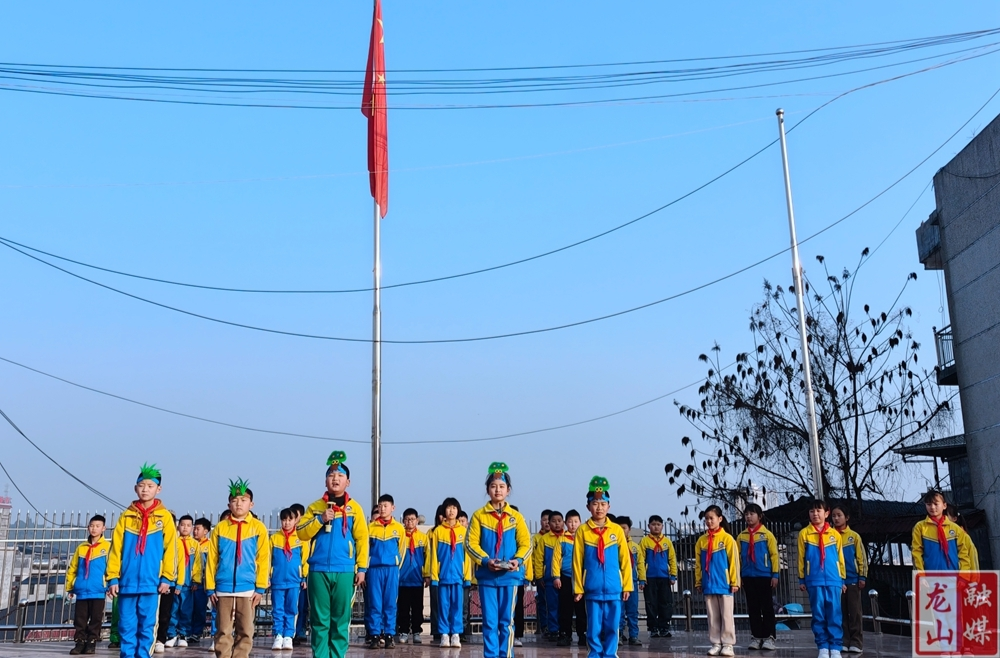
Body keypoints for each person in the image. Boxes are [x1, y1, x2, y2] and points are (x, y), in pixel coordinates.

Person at [297, 451, 369, 658]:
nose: (335, 478)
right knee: (319, 620)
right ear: (325, 480)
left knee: (340, 619)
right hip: (318, 570)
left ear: (348, 481)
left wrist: (362, 569)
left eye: (340, 475)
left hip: (345, 571)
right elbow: (301, 533)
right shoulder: (315, 507)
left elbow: (362, 540)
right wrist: (320, 520)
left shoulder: (355, 509)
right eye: (331, 475)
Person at [107, 463, 178, 658]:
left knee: (147, 626)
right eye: (141, 485)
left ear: (158, 489)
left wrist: (167, 578)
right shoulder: (126, 517)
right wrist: (113, 577)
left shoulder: (164, 517)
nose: (145, 489)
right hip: (127, 582)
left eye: (150, 486)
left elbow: (171, 550)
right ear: (135, 488)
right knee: (126, 625)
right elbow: (115, 550)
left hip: (152, 583)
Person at [467, 463, 531, 658]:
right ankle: (491, 655)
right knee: (489, 621)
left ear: (508, 490)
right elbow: (470, 544)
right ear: (488, 490)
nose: (498, 490)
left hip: (510, 577)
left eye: (502, 486)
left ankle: (506, 654)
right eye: (494, 486)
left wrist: (518, 561)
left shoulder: (516, 517)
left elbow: (526, 544)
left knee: (506, 621)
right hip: (487, 576)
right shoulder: (479, 516)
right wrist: (486, 561)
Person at [206, 479, 271, 658]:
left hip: (248, 589)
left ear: (251, 503)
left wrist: (260, 588)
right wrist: (210, 587)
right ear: (229, 504)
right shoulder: (220, 528)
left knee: (246, 630)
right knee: (223, 630)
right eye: (234, 500)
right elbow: (211, 560)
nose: (239, 503)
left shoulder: (259, 528)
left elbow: (264, 559)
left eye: (243, 500)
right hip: (223, 588)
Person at [572, 476, 631, 658]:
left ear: (609, 506)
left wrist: (627, 585)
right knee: (594, 626)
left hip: (614, 587)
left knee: (613, 625)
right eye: (595, 503)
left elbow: (625, 560)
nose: (599, 507)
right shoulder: (583, 530)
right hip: (592, 587)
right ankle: (595, 653)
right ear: (588, 506)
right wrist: (578, 588)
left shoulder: (616, 531)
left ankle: (611, 653)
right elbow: (577, 561)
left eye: (603, 503)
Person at [798, 499, 846, 658]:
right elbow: (801, 558)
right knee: (818, 614)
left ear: (826, 513)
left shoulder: (834, 535)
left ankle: (836, 647)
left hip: (834, 580)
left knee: (834, 613)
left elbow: (840, 557)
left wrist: (842, 579)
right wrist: (802, 578)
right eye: (812, 511)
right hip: (814, 580)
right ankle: (823, 646)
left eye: (818, 511)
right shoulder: (804, 534)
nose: (815, 514)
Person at [695, 505, 739, 658]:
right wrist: (699, 581)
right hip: (708, 583)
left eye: (711, 518)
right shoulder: (701, 541)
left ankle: (728, 644)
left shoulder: (727, 539)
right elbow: (698, 564)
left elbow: (733, 561)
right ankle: (715, 643)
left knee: (726, 615)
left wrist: (734, 581)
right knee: (712, 615)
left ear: (720, 519)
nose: (708, 521)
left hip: (724, 583)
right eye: (706, 518)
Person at [428, 497, 471, 648]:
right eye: (448, 508)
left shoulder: (464, 532)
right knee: (443, 606)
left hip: (459, 576)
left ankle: (456, 634)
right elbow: (433, 555)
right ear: (444, 511)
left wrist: (467, 577)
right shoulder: (438, 531)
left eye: (454, 508)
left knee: (457, 606)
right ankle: (444, 634)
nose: (451, 511)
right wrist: (434, 576)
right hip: (443, 575)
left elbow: (467, 557)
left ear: (458, 511)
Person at [737, 504, 779, 651]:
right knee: (753, 608)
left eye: (752, 514)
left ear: (759, 516)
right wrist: (739, 576)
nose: (749, 517)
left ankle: (769, 637)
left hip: (764, 575)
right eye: (746, 514)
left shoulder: (767, 535)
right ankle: (756, 637)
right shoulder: (742, 536)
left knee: (767, 608)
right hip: (748, 576)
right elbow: (738, 559)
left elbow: (774, 555)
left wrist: (775, 574)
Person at [67, 514, 110, 655]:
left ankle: (92, 641)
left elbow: (112, 568)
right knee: (80, 618)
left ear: (104, 528)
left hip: (98, 590)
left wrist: (110, 585)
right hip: (81, 590)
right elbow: (73, 568)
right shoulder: (81, 547)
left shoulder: (107, 547)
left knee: (96, 618)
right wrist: (71, 585)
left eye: (97, 526)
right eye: (91, 526)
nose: (94, 529)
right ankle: (80, 641)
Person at [366, 494, 406, 649]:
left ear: (393, 508)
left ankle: (389, 634)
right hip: (374, 570)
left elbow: (401, 550)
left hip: (391, 570)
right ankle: (375, 634)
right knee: (375, 603)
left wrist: (396, 566)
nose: (383, 508)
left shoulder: (398, 528)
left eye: (386, 505)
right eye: (380, 505)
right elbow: (365, 550)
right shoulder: (370, 528)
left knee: (390, 603)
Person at [271, 508, 308, 651]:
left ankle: (288, 635)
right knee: (277, 608)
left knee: (292, 608)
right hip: (277, 580)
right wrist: (269, 576)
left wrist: (303, 576)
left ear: (295, 520)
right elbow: (268, 559)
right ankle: (278, 634)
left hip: (294, 580)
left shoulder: (301, 538)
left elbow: (305, 559)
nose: (286, 523)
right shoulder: (274, 538)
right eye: (284, 520)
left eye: (289, 520)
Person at [830, 505, 865, 655]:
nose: (836, 518)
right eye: (834, 516)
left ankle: (856, 641)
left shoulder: (854, 536)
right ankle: (844, 640)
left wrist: (862, 576)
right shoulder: (829, 536)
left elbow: (861, 557)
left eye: (839, 515)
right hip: (836, 580)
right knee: (840, 611)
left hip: (852, 578)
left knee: (854, 611)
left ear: (847, 517)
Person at [912, 489, 973, 571]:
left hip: (954, 577)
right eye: (929, 504)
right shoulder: (920, 527)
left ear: (944, 505)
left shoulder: (955, 528)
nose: (932, 507)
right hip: (930, 578)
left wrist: (964, 577)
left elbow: (963, 554)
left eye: (936, 504)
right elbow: (917, 553)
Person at [637, 514, 677, 638]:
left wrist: (673, 575)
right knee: (651, 603)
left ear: (662, 526)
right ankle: (653, 628)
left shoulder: (667, 542)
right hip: (650, 578)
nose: (656, 527)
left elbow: (672, 559)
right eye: (653, 525)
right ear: (649, 526)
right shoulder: (645, 541)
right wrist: (642, 579)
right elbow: (641, 561)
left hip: (665, 578)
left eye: (658, 525)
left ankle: (664, 627)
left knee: (665, 603)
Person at [553, 509, 586, 647]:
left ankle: (583, 634)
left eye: (576, 521)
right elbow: (555, 559)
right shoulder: (561, 539)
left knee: (582, 609)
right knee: (565, 608)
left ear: (580, 522)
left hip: (581, 579)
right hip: (565, 578)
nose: (573, 524)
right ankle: (565, 634)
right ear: (566, 523)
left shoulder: (584, 538)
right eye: (570, 522)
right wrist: (556, 577)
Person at [396, 508, 428, 645]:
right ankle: (403, 631)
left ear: (417, 520)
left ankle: (416, 632)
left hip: (417, 580)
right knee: (403, 608)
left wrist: (427, 575)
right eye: (407, 519)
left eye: (413, 519)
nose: (410, 522)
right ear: (403, 521)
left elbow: (428, 558)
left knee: (417, 608)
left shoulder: (423, 537)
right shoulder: (400, 536)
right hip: (402, 580)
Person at [165, 515, 197, 648]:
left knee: (186, 610)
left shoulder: (195, 544)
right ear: (178, 526)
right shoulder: (174, 542)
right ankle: (171, 634)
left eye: (188, 525)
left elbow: (198, 564)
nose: (185, 527)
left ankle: (183, 634)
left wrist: (196, 580)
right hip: (174, 582)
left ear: (192, 527)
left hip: (188, 585)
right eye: (183, 525)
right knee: (173, 609)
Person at [616, 516, 642, 647]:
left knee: (632, 610)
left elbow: (640, 564)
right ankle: (619, 635)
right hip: (618, 583)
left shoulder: (635, 547)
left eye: (624, 528)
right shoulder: (614, 546)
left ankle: (634, 635)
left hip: (632, 582)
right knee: (619, 610)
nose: (622, 530)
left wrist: (642, 579)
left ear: (629, 529)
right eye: (619, 528)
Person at [539, 511, 565, 637]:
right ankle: (553, 630)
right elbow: (539, 559)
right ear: (549, 523)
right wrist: (539, 577)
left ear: (563, 522)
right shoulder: (544, 539)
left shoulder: (568, 538)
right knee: (552, 605)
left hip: (566, 578)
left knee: (564, 606)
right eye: (554, 521)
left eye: (559, 521)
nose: (557, 523)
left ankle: (564, 630)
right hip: (549, 579)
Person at [156, 513, 178, 653]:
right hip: (150, 580)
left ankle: (161, 639)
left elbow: (178, 563)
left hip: (168, 581)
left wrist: (171, 579)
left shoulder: (174, 541)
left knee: (165, 613)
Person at [288, 503, 310, 647]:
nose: (293, 520)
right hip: (288, 577)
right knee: (290, 606)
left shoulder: (304, 535)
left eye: (295, 517)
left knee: (302, 605)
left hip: (303, 575)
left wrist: (304, 575)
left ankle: (300, 630)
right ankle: (289, 633)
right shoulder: (282, 535)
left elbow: (305, 557)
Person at [189, 518, 213, 643]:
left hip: (202, 583)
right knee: (187, 608)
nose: (195, 531)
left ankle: (196, 632)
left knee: (199, 608)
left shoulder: (209, 546)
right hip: (188, 582)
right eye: (194, 528)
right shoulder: (190, 544)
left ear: (206, 531)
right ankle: (185, 631)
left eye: (198, 529)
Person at [531, 509, 552, 637]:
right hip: (541, 576)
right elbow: (533, 557)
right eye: (544, 520)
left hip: (554, 576)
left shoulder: (559, 538)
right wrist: (535, 575)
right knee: (543, 602)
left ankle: (554, 626)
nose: (547, 523)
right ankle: (544, 626)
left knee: (554, 603)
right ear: (540, 522)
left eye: (549, 520)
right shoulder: (536, 538)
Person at [945, 504, 980, 569]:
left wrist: (974, 578)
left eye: (945, 515)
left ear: (954, 518)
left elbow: (973, 559)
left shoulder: (964, 537)